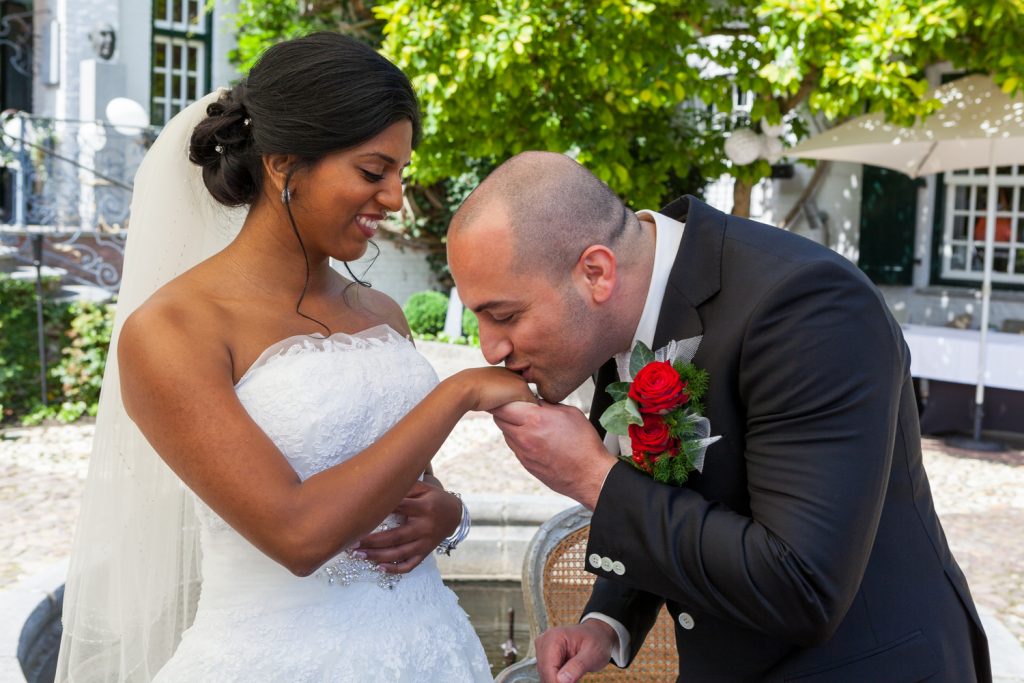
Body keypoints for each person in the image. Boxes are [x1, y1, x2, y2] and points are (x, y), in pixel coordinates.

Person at [56, 33, 534, 682]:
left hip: (433, 648)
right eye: (373, 171)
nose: (394, 199)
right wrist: (459, 392)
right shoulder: (172, 329)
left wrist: (451, 514)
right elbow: (298, 534)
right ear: (283, 164)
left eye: (399, 174)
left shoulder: (381, 313)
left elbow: (402, 481)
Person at [447, 151, 991, 682]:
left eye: (504, 315)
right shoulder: (624, 317)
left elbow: (802, 586)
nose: (490, 347)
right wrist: (608, 622)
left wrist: (593, 477)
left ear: (596, 272)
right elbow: (680, 490)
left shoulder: (810, 307)